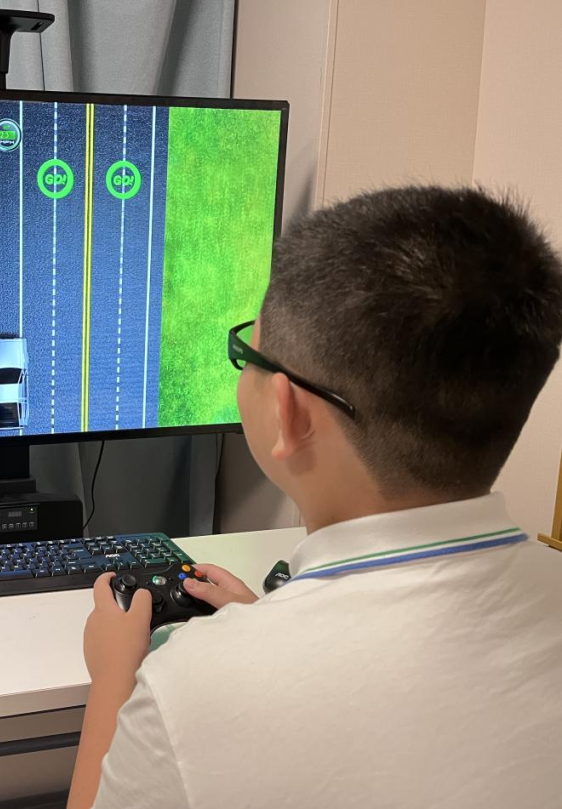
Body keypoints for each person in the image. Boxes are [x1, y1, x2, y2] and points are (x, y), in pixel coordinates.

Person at [67, 186, 562, 809]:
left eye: (247, 351)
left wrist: (114, 679)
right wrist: (266, 625)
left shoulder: (189, 692)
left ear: (289, 411)